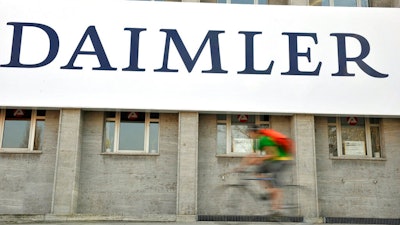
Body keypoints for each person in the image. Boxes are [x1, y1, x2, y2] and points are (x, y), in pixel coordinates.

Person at [236, 125, 293, 214]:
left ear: (254, 132)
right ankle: (271, 198)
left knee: (273, 184)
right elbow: (251, 155)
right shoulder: (258, 142)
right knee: (259, 172)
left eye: (249, 133)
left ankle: (276, 206)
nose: (249, 135)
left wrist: (259, 160)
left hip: (281, 160)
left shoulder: (264, 139)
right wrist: (241, 167)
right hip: (274, 161)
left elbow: (273, 154)